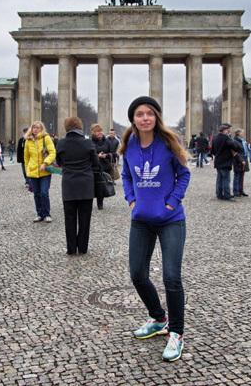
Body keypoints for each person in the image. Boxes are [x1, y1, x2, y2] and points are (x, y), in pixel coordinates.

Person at [120, 96, 191, 363]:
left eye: (149, 113)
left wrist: (172, 203)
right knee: (137, 274)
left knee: (171, 277)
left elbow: (184, 174)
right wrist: (131, 199)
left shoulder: (169, 142)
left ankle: (177, 333)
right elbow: (126, 175)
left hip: (171, 220)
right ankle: (159, 318)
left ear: (156, 117)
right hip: (141, 220)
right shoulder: (128, 144)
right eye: (140, 114)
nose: (145, 118)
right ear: (133, 119)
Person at [56, 117, 99, 255]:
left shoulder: (61, 143)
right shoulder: (88, 143)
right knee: (85, 218)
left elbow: (59, 162)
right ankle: (83, 247)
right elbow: (96, 164)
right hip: (86, 184)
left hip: (69, 184)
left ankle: (71, 248)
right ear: (80, 126)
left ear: (66, 127)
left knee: (69, 218)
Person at [24, 121, 56, 223]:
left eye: (38, 128)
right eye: (34, 127)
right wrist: (27, 170)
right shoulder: (28, 140)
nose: (35, 129)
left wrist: (45, 163)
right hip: (33, 171)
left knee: (44, 193)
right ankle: (39, 214)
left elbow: (52, 153)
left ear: (41, 129)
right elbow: (26, 157)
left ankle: (46, 214)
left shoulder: (46, 138)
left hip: (45, 171)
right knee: (36, 194)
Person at [211, 123, 240, 201]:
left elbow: (212, 151)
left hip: (218, 161)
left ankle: (219, 194)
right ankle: (227, 195)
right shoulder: (226, 138)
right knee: (226, 179)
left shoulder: (215, 138)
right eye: (227, 130)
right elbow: (235, 147)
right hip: (225, 161)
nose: (228, 131)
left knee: (219, 179)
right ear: (224, 130)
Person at [91, 123, 113, 210]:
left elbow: (113, 153)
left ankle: (100, 204)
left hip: (104, 166)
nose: (100, 133)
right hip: (93, 167)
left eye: (100, 131)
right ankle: (88, 203)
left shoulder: (107, 141)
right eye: (97, 131)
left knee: (101, 186)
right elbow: (88, 153)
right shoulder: (90, 142)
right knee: (91, 186)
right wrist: (97, 156)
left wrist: (107, 155)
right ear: (93, 132)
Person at [233, 129, 249, 196]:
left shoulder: (243, 141)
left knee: (242, 176)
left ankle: (241, 190)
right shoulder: (235, 141)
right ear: (238, 133)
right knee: (237, 176)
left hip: (244, 159)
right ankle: (236, 191)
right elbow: (235, 152)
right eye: (242, 132)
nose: (243, 134)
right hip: (238, 160)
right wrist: (241, 160)